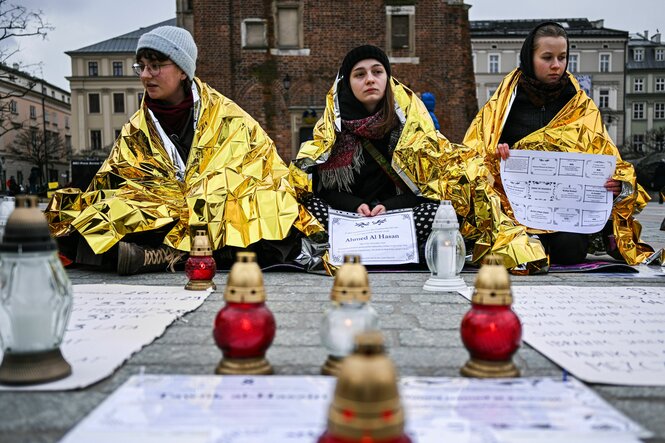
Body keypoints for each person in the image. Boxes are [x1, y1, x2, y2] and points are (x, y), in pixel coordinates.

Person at [46, 26, 322, 275]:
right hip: (162, 209)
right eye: (140, 67)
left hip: (216, 205)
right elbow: (115, 178)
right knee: (93, 220)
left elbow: (261, 166)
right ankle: (169, 254)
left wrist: (208, 192)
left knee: (263, 213)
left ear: (182, 70)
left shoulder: (227, 115)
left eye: (155, 66)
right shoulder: (137, 126)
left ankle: (163, 256)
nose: (145, 75)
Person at [463, 22, 652, 266]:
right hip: (515, 210)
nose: (556, 65)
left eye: (562, 58)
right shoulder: (505, 103)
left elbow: (607, 156)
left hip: (566, 212)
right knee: (523, 250)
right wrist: (496, 156)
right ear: (529, 58)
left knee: (570, 251)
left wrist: (617, 184)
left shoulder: (580, 104)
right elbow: (474, 155)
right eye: (547, 57)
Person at [290, 45, 455, 260]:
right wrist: (355, 206)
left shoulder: (408, 126)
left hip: (397, 216)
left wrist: (387, 207)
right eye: (360, 74)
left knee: (441, 212)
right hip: (348, 218)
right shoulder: (333, 128)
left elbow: (429, 189)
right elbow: (322, 190)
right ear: (347, 83)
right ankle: (387, 249)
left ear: (387, 79)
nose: (370, 79)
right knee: (306, 207)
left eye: (377, 72)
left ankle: (368, 248)